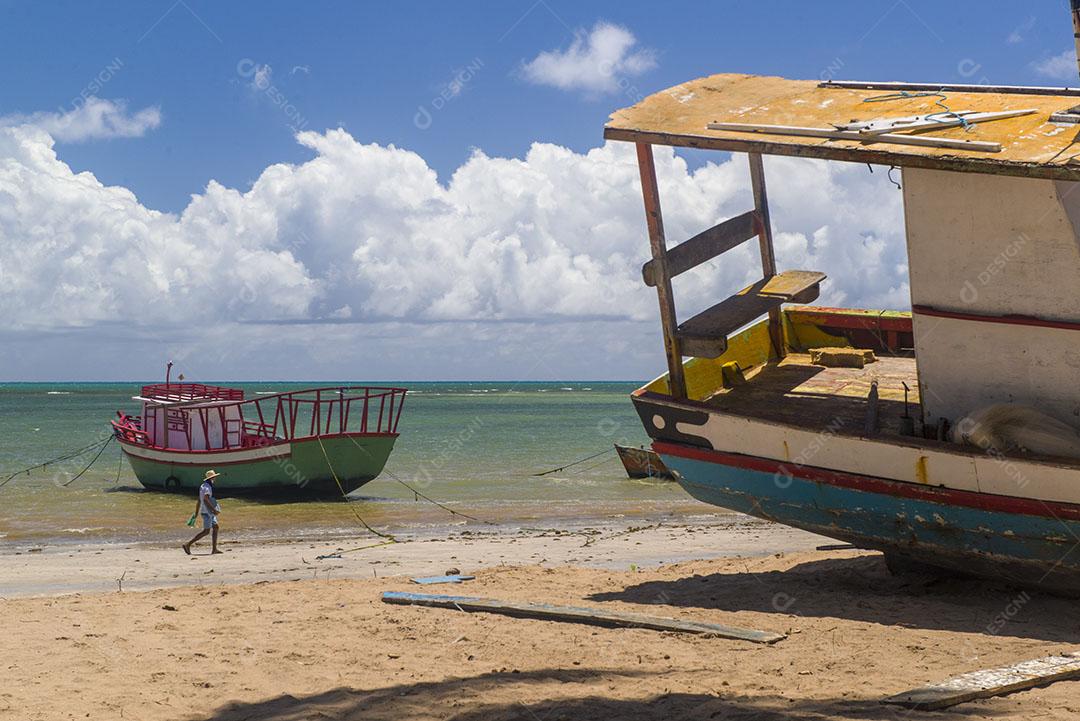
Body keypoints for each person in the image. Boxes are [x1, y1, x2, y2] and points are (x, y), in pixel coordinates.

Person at [183, 470, 222, 555]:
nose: (215, 478)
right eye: (214, 477)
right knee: (206, 531)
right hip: (207, 512)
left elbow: (199, 500)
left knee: (216, 527)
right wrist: (214, 510)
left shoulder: (203, 486)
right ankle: (188, 544)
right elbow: (205, 499)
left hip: (206, 511)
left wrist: (196, 512)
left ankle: (214, 549)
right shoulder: (208, 487)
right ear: (212, 478)